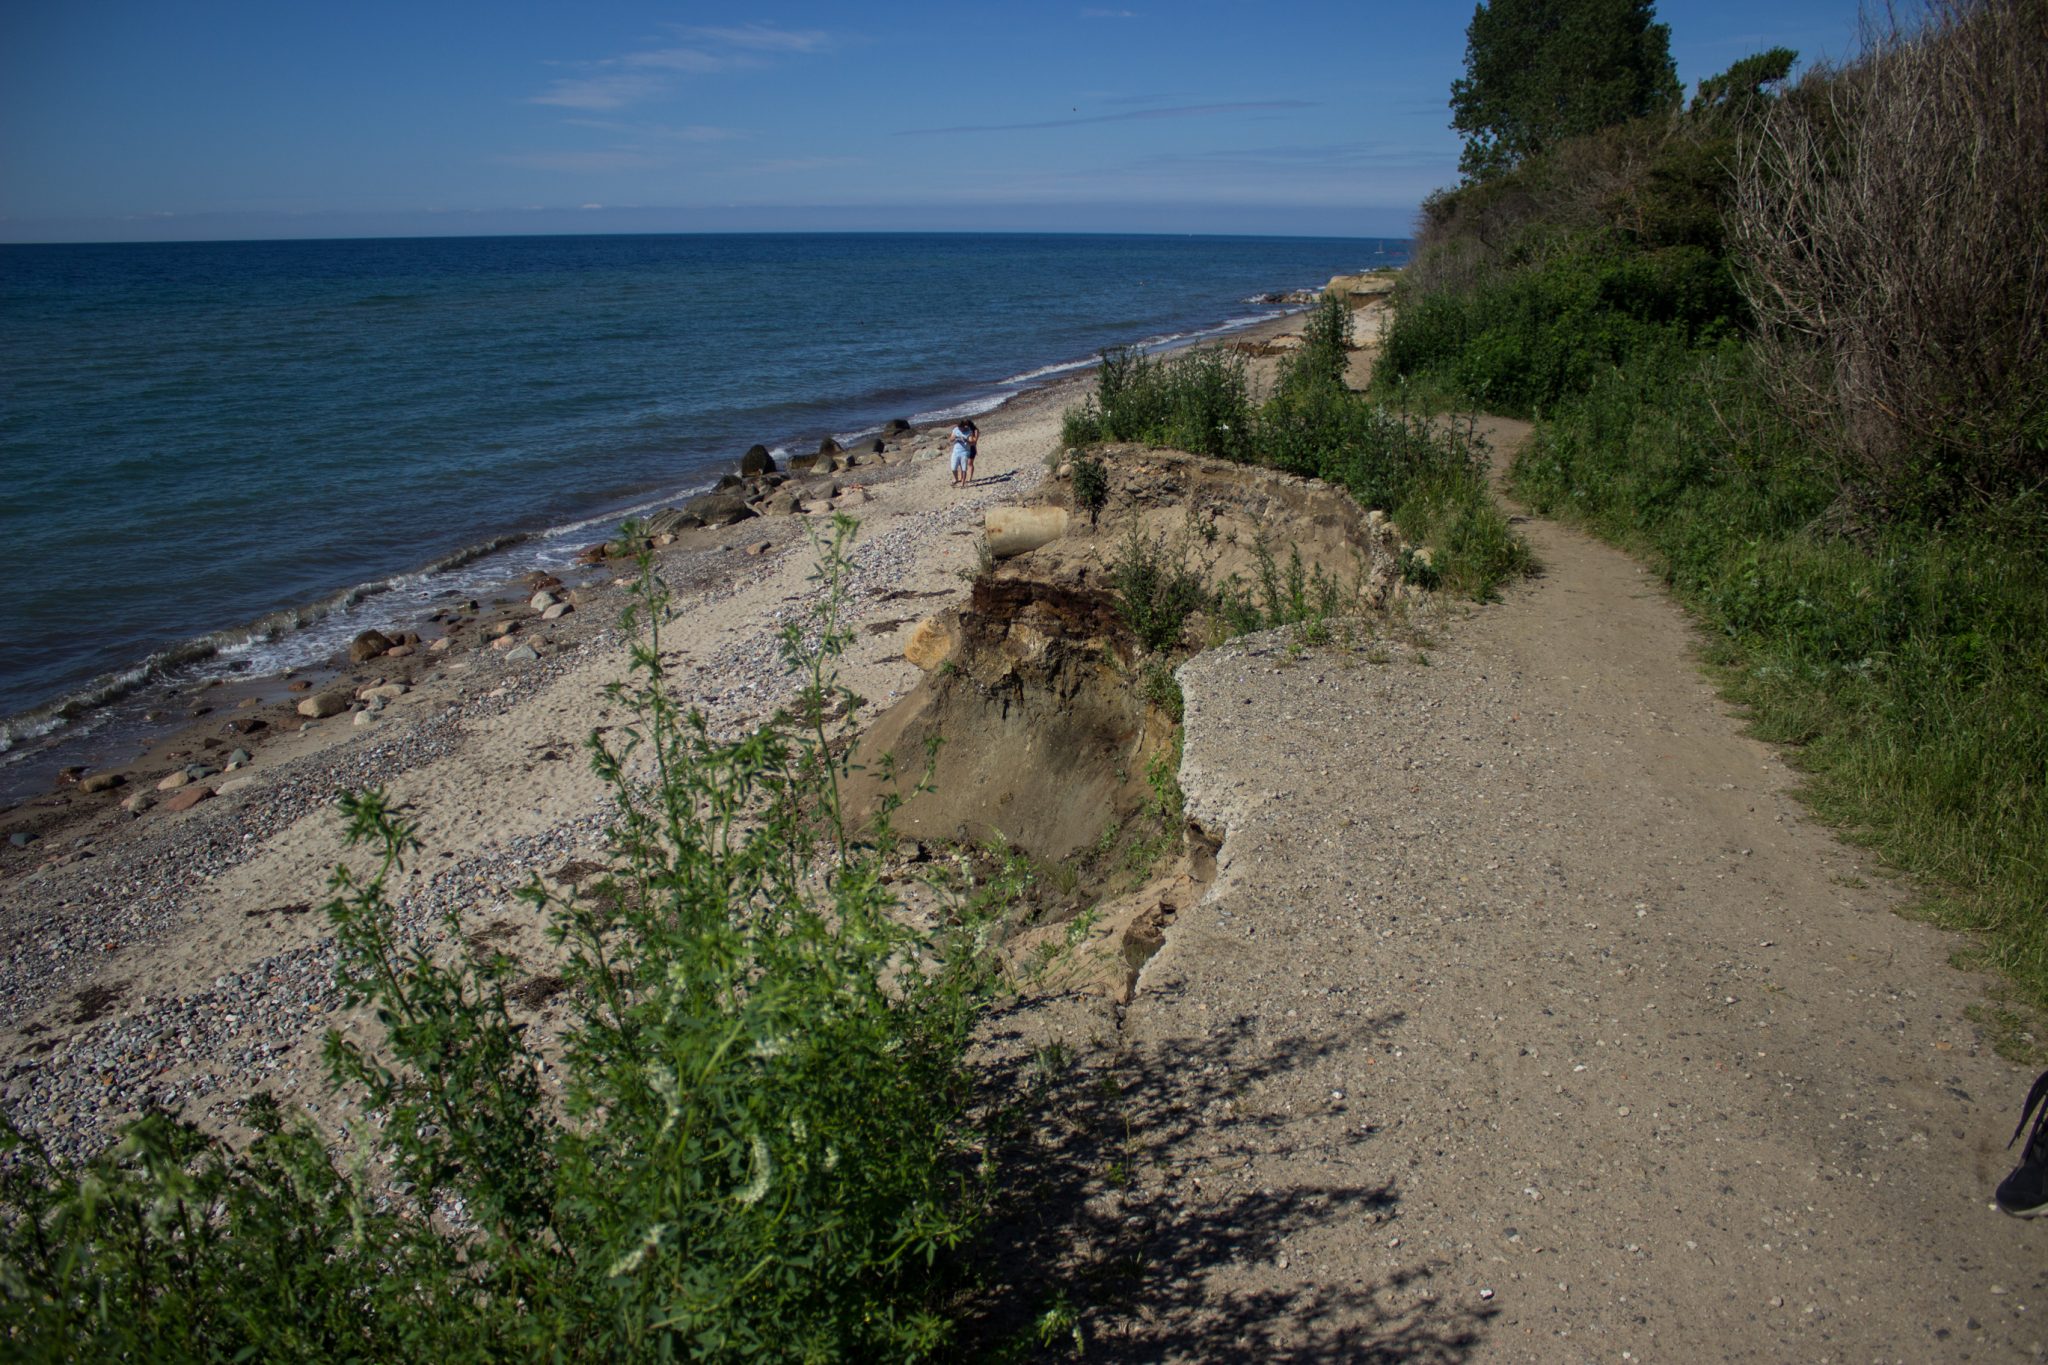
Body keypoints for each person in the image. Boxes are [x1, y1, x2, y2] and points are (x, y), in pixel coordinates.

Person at [949, 419, 977, 488]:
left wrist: (966, 439)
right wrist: (955, 437)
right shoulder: (955, 430)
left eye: (961, 427)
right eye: (959, 427)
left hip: (964, 451)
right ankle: (956, 479)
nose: (960, 429)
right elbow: (950, 440)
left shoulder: (968, 431)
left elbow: (972, 441)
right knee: (953, 468)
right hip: (956, 451)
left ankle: (963, 483)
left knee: (963, 468)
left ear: (964, 426)